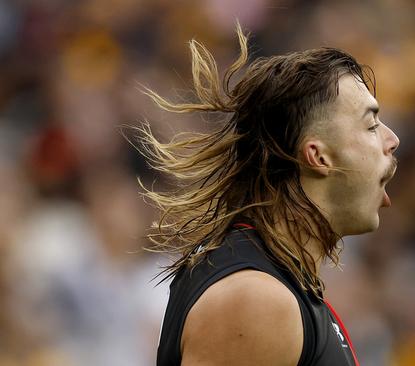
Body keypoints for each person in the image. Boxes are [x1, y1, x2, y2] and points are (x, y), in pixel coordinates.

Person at [139, 24, 399, 366]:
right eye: (371, 125)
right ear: (318, 156)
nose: (392, 140)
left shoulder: (281, 284)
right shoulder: (257, 299)